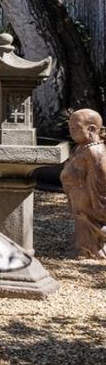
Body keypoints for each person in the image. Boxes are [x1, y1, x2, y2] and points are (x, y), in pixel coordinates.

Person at [61, 108, 106, 258]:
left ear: (91, 129)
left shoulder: (95, 152)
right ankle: (82, 247)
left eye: (75, 127)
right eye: (70, 127)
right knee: (81, 224)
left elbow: (100, 179)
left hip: (87, 198)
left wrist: (98, 206)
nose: (71, 130)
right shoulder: (81, 148)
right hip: (78, 196)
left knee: (87, 223)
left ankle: (92, 250)